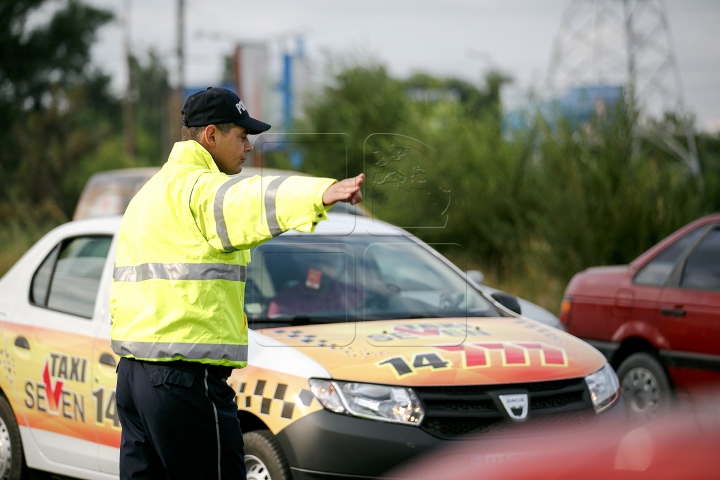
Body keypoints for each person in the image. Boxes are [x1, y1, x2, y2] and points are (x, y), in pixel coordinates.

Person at [110, 86, 364, 480]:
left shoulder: (147, 196)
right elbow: (252, 201)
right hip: (184, 381)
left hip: (133, 377)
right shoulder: (200, 189)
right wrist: (319, 194)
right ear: (211, 135)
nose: (248, 147)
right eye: (242, 136)